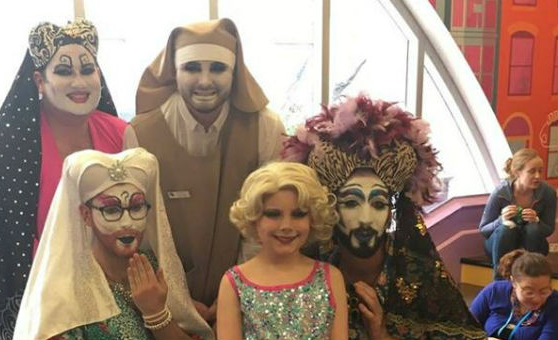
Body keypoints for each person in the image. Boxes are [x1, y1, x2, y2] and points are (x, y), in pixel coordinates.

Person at [283, 94, 486, 340]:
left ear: (391, 213)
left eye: (378, 203)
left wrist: (381, 334)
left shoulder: (420, 275)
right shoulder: (312, 267)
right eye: (351, 202)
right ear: (331, 208)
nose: (366, 218)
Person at [0, 20, 128, 340]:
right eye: (63, 71)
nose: (79, 81)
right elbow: (6, 240)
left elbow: (142, 222)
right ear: (38, 81)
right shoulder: (9, 144)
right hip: (44, 301)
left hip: (120, 296)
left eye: (88, 69)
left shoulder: (121, 133)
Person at [124, 18, 286, 320]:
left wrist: (239, 290)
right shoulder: (141, 133)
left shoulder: (265, 126)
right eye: (192, 68)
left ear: (235, 71)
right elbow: (142, 231)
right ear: (175, 71)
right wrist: (177, 300)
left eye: (218, 68)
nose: (205, 81)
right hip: (165, 300)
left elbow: (270, 216)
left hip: (251, 292)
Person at [13, 148, 213, 340]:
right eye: (111, 210)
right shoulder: (65, 286)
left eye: (136, 207)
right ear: (86, 215)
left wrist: (156, 313)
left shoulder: (155, 269)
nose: (127, 222)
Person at [217, 162, 347, 340]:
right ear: (254, 218)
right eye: (273, 214)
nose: (286, 226)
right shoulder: (234, 283)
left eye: (298, 214)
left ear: (313, 218)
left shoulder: (331, 278)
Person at [479, 148, 556, 280]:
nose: (538, 176)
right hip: (501, 242)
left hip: (533, 243)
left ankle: (533, 277)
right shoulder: (500, 193)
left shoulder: (548, 193)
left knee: (532, 229)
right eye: (532, 171)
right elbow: (484, 229)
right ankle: (499, 281)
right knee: (506, 229)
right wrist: (501, 220)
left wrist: (536, 220)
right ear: (517, 172)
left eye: (540, 171)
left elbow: (549, 229)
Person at [471, 249, 557, 340]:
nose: (537, 298)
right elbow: (466, 326)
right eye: (529, 292)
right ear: (514, 282)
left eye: (544, 292)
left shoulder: (554, 304)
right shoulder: (494, 291)